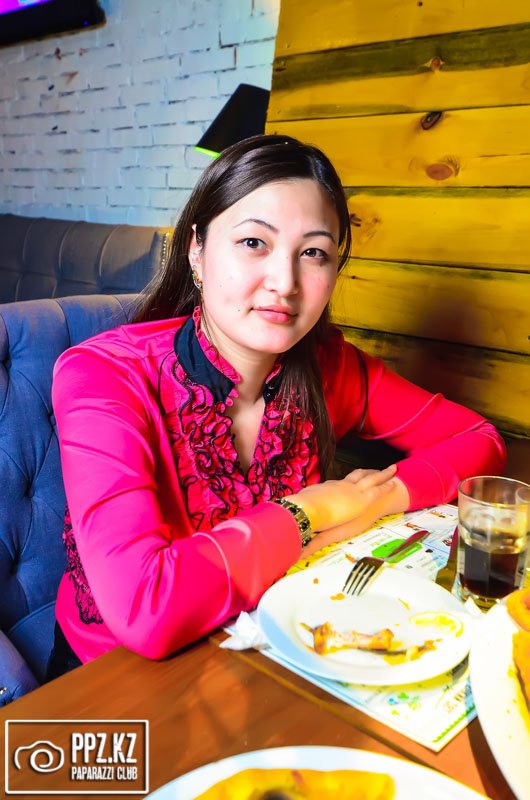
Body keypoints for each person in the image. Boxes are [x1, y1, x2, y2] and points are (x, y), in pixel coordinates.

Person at [47, 134, 505, 676]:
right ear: (196, 250)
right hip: (112, 677)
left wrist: (377, 498)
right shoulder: (103, 376)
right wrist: (312, 511)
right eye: (253, 242)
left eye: (313, 253)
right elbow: (144, 608)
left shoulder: (330, 366)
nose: (285, 283)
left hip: (267, 650)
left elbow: (480, 441)